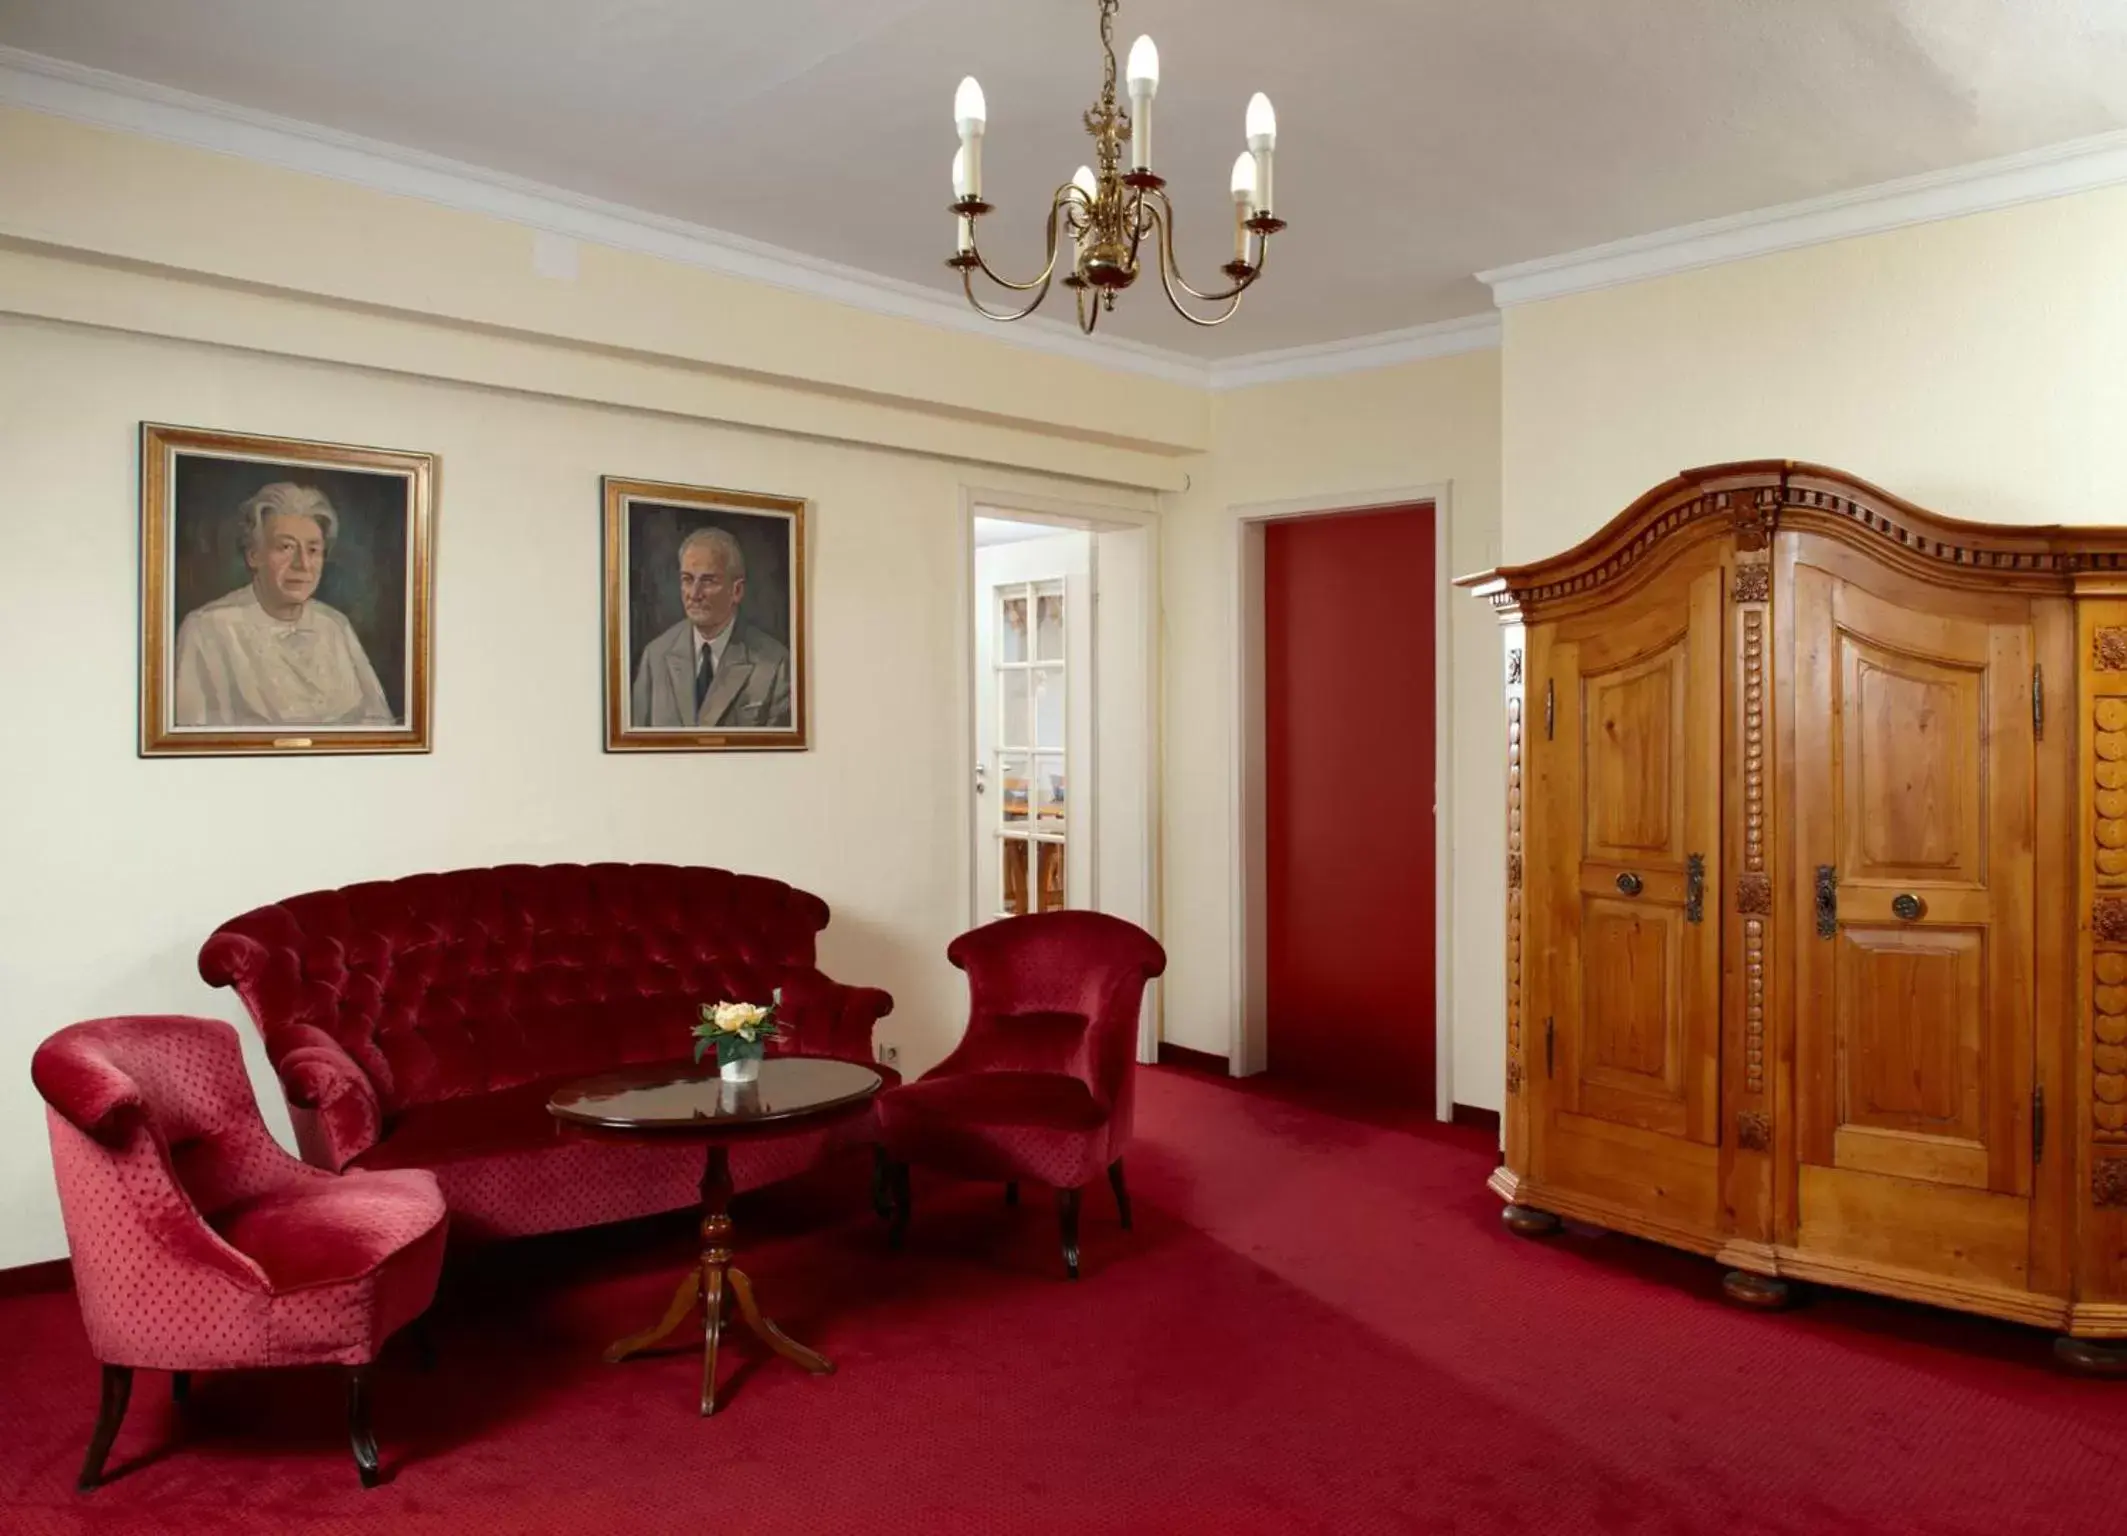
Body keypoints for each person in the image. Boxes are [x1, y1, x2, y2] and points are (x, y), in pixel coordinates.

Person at [171, 482, 396, 728]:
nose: (302, 564)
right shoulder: (207, 629)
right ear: (253, 555)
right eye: (286, 547)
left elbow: (380, 725)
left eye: (313, 550)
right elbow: (192, 743)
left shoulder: (335, 625)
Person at [631, 525, 793, 729]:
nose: (694, 593)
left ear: (737, 591)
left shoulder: (775, 664)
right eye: (687, 580)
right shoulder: (655, 656)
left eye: (708, 581)